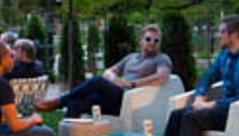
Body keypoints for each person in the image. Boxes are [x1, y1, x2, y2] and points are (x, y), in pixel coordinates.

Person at [163, 16, 239, 136]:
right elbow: (208, 76)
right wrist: (199, 96)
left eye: (223, 32)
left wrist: (213, 104)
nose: (219, 36)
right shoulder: (225, 56)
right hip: (222, 109)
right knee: (176, 115)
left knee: (191, 117)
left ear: (234, 35)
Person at [37, 24, 173, 118]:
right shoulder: (131, 57)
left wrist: (132, 84)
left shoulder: (161, 58)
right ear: (141, 40)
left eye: (156, 41)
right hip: (115, 96)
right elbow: (108, 72)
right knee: (76, 103)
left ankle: (58, 102)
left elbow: (162, 77)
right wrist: (116, 80)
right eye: (148, 39)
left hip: (130, 98)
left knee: (97, 81)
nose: (152, 43)